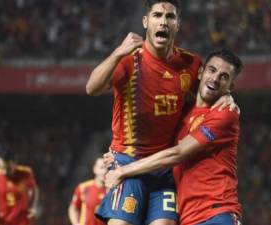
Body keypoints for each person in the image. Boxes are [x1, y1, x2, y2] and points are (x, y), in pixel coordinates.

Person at [86, 0, 236, 225]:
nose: (163, 21)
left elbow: (207, 91)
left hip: (164, 168)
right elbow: (92, 88)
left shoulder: (190, 63)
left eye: (170, 17)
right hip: (128, 158)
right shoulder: (129, 59)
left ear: (177, 24)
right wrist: (117, 52)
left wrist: (227, 97)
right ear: (146, 22)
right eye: (157, 15)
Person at [104, 49, 243, 225]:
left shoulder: (224, 114)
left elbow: (176, 154)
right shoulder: (183, 112)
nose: (215, 79)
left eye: (224, 77)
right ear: (200, 72)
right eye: (212, 70)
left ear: (230, 86)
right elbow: (156, 142)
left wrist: (123, 170)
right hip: (188, 218)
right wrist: (119, 153)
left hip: (216, 213)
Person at [0, 148, 39, 225]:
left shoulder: (26, 174)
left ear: (15, 163)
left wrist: (33, 207)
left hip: (21, 222)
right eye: (2, 168)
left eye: (8, 168)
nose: (5, 172)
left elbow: (34, 189)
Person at [68, 157, 107, 225]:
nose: (104, 171)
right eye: (101, 167)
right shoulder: (83, 188)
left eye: (107, 168)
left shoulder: (114, 190)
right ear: (94, 169)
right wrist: (76, 223)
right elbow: (73, 208)